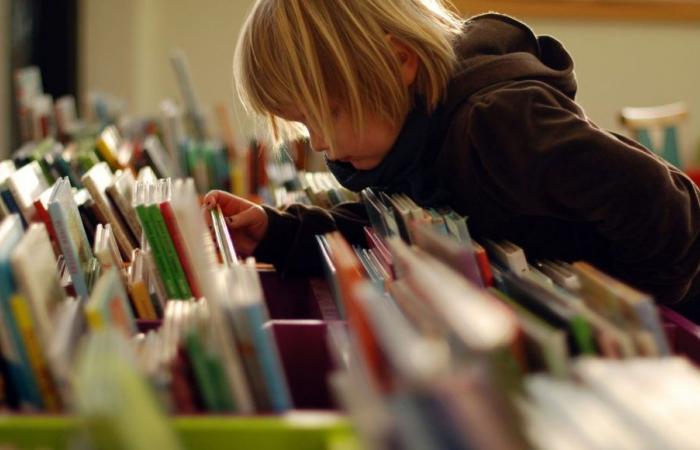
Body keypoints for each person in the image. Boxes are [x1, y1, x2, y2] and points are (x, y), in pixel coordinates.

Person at [204, 0, 700, 313]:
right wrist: (277, 232)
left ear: (398, 62)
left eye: (324, 115)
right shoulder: (408, 139)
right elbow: (388, 230)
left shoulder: (499, 122)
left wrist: (634, 315)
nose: (314, 142)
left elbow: (666, 205)